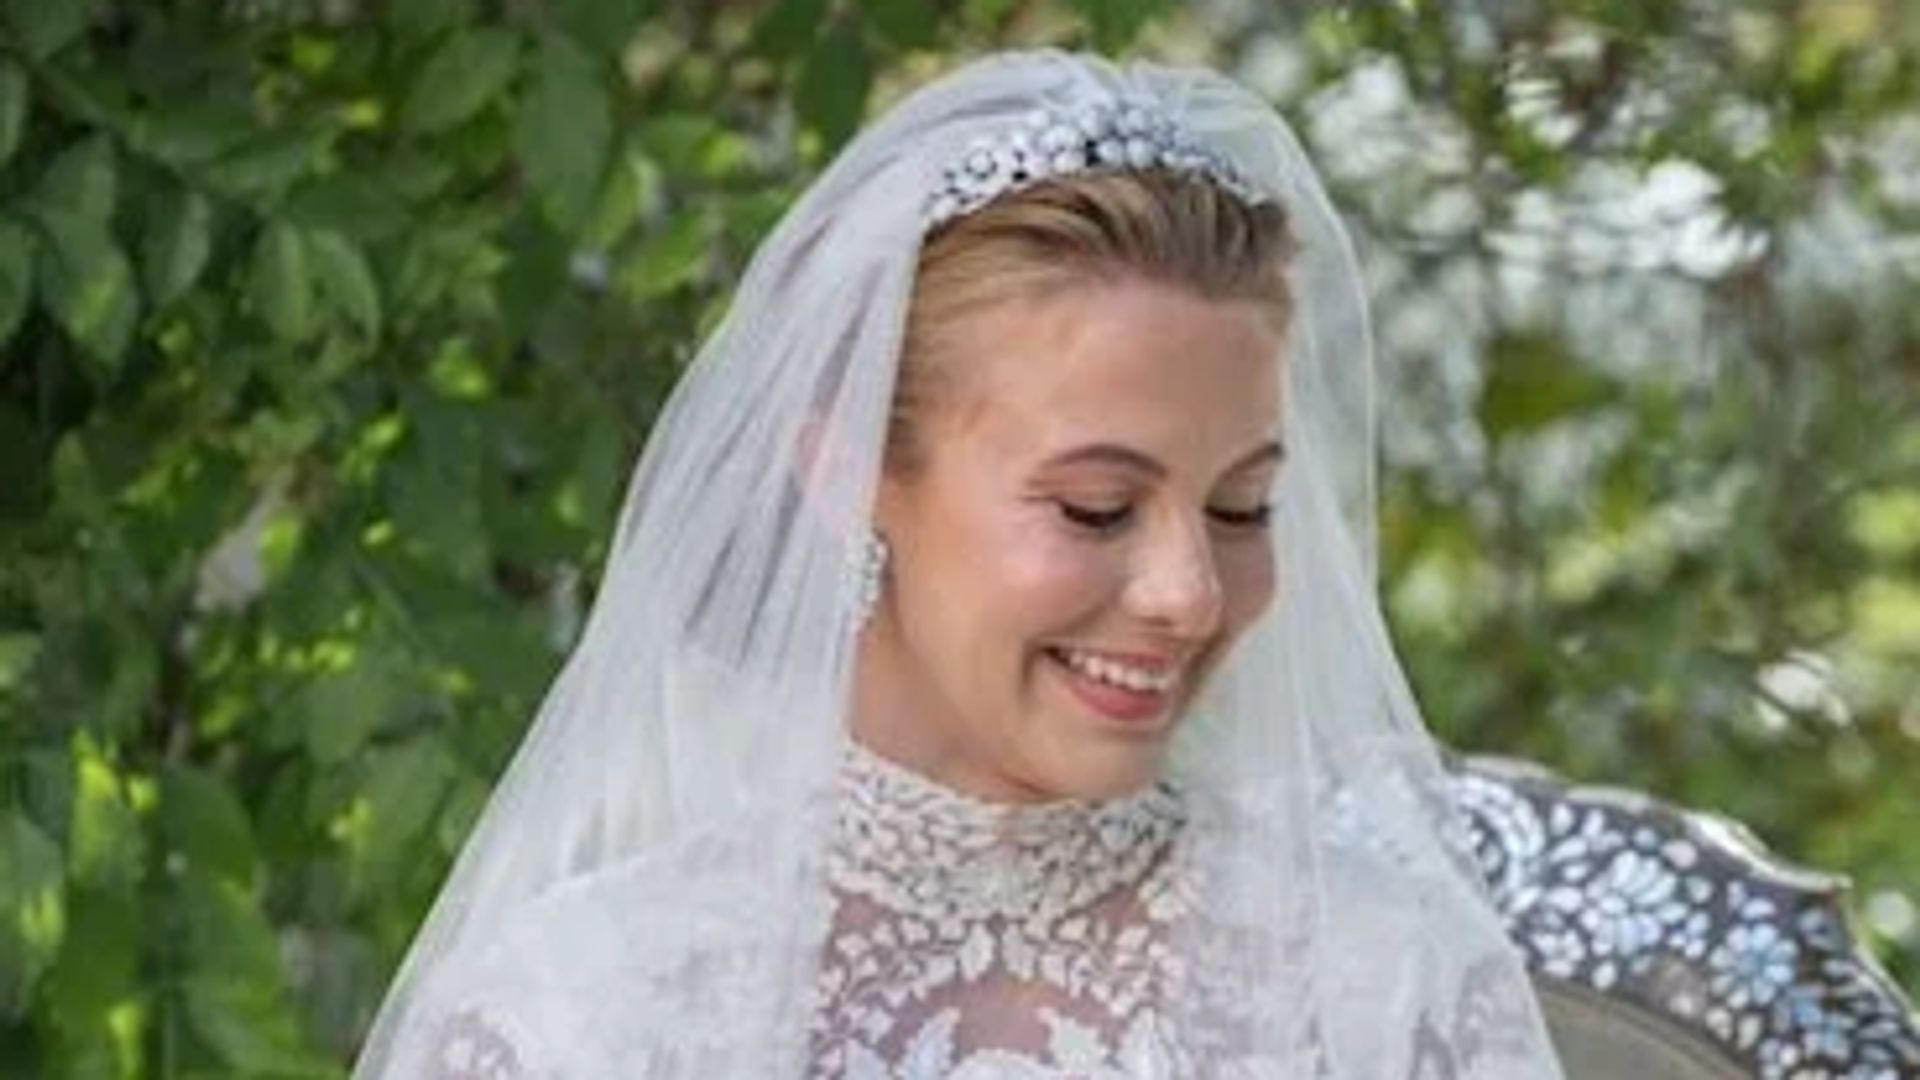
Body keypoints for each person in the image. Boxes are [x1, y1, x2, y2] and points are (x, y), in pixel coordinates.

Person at [352, 50, 1567, 1078]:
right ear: (847, 474)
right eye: (1097, 508)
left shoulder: (1388, 988)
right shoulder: (584, 1017)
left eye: (1244, 508)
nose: (1190, 595)